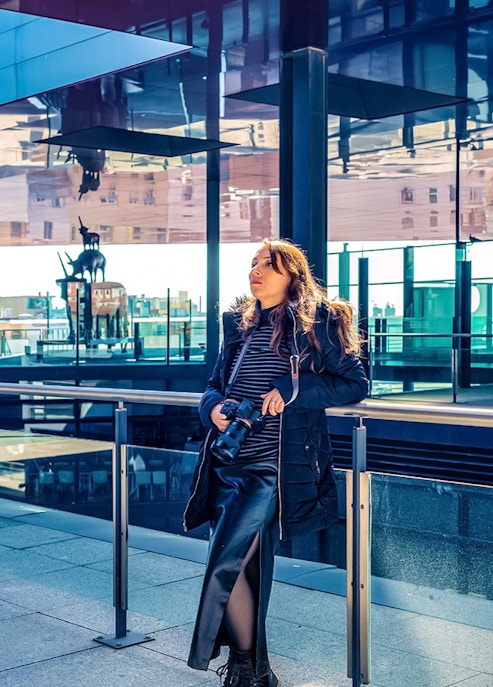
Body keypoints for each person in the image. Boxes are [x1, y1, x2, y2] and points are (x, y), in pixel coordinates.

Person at [184, 239, 368, 687]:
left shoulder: (318, 320)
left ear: (293, 276)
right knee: (243, 564)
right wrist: (213, 408)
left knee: (225, 561)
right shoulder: (239, 324)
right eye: (253, 264)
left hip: (274, 469)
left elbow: (355, 383)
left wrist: (294, 389)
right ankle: (256, 671)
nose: (257, 271)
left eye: (270, 265)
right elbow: (213, 383)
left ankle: (246, 672)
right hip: (228, 459)